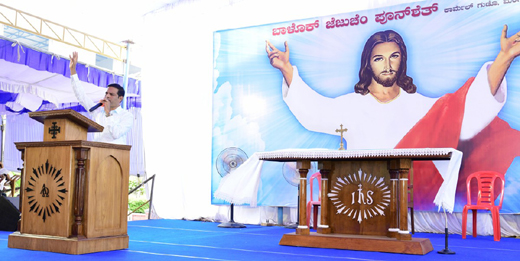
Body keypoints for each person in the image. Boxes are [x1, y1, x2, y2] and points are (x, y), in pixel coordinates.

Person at [266, 26, 520, 210]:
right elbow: (313, 112)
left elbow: (464, 110)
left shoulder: (421, 106)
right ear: (368, 64)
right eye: (379, 58)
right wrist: (287, 70)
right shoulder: (350, 106)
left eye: (393, 56)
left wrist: (504, 59)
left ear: (402, 60)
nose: (387, 64)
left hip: (407, 195)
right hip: (360, 196)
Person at [69, 51, 134, 145]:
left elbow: (116, 134)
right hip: (96, 152)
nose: (107, 96)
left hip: (116, 156)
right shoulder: (99, 111)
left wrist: (108, 114)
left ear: (120, 98)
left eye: (111, 94)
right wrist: (73, 71)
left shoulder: (126, 116)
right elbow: (81, 96)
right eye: (106, 93)